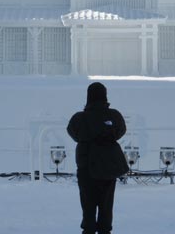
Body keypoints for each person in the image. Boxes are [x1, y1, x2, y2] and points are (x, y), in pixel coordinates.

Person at [67, 82, 128, 234]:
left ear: (88, 97)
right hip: (109, 167)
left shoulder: (79, 118)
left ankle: (88, 230)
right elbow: (121, 131)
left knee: (88, 205)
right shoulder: (114, 116)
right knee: (106, 204)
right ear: (105, 95)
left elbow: (73, 133)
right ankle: (105, 230)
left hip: (86, 167)